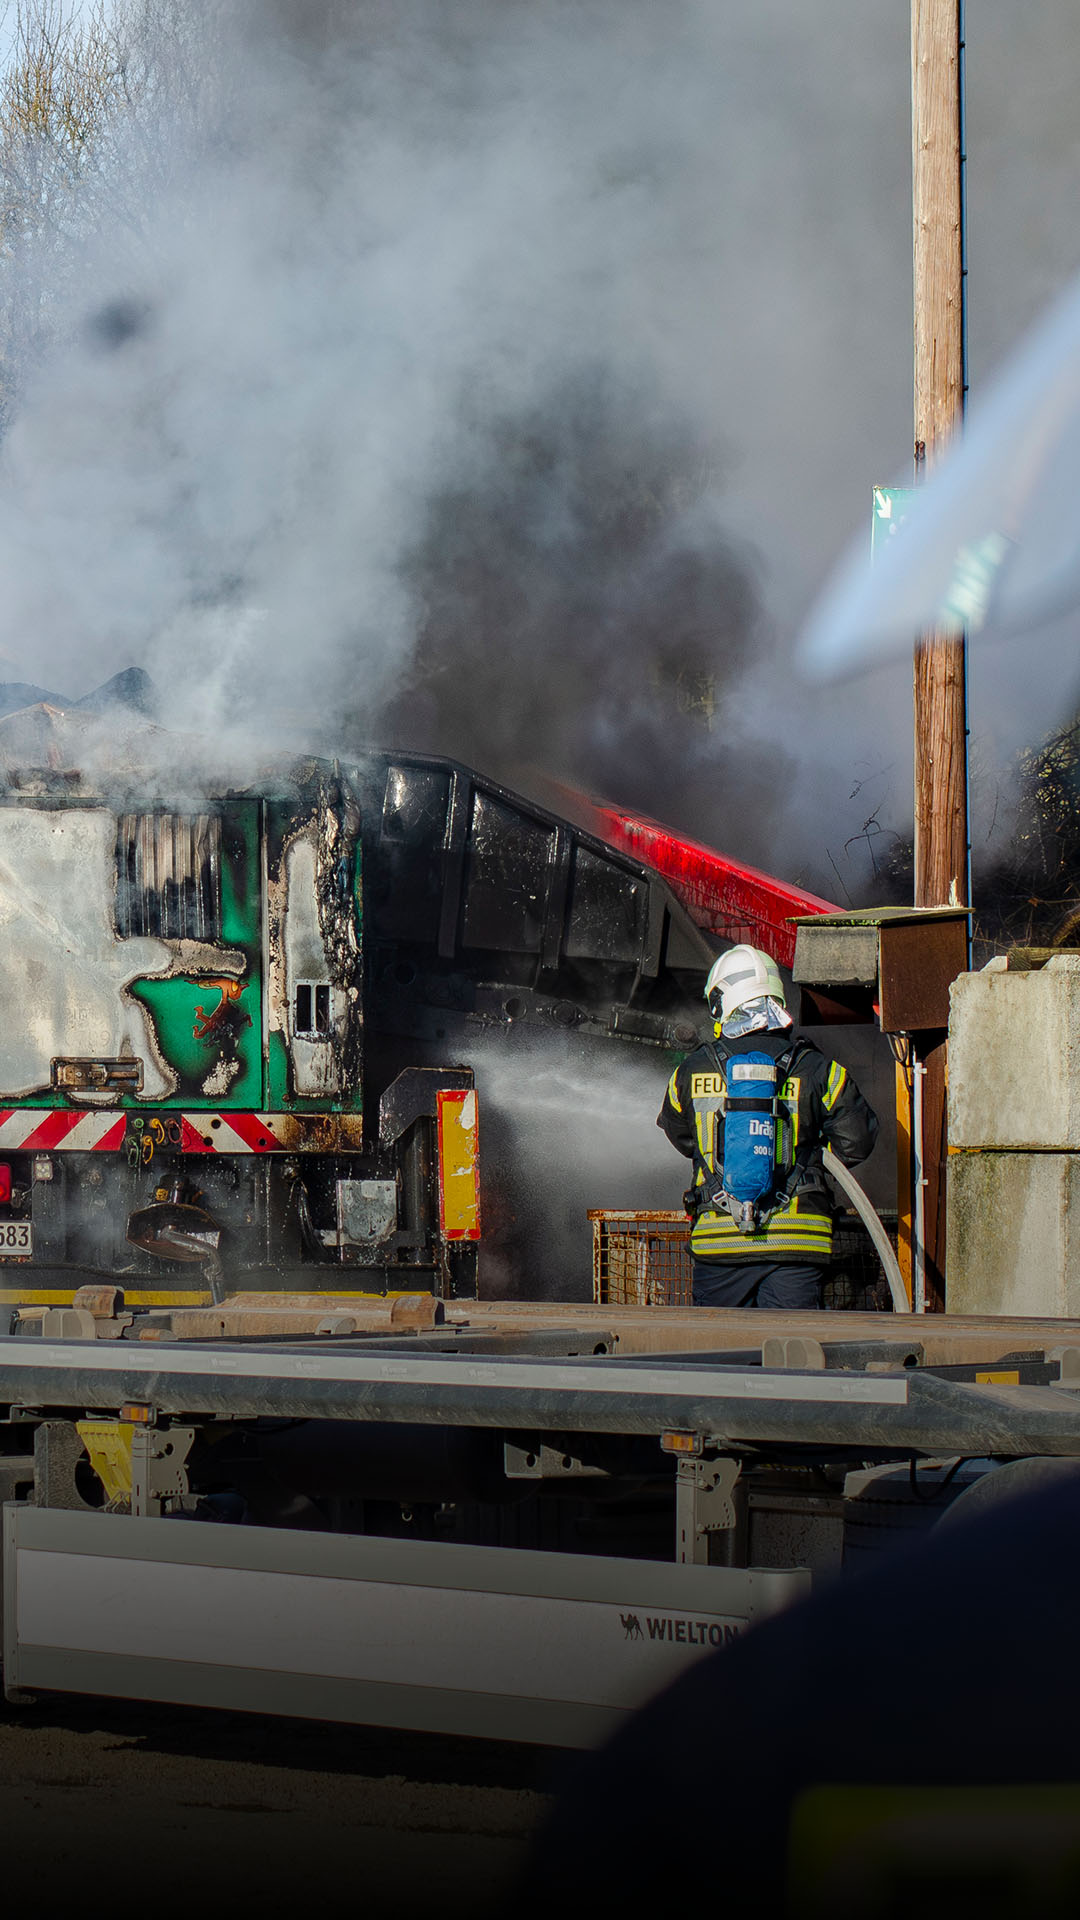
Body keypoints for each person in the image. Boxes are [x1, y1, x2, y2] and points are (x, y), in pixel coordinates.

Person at [657, 943, 878, 1310]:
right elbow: (858, 1143)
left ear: (722, 1001)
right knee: (793, 1358)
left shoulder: (690, 1070)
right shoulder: (818, 1068)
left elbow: (682, 1137)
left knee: (716, 1359)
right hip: (798, 1242)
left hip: (719, 1241)